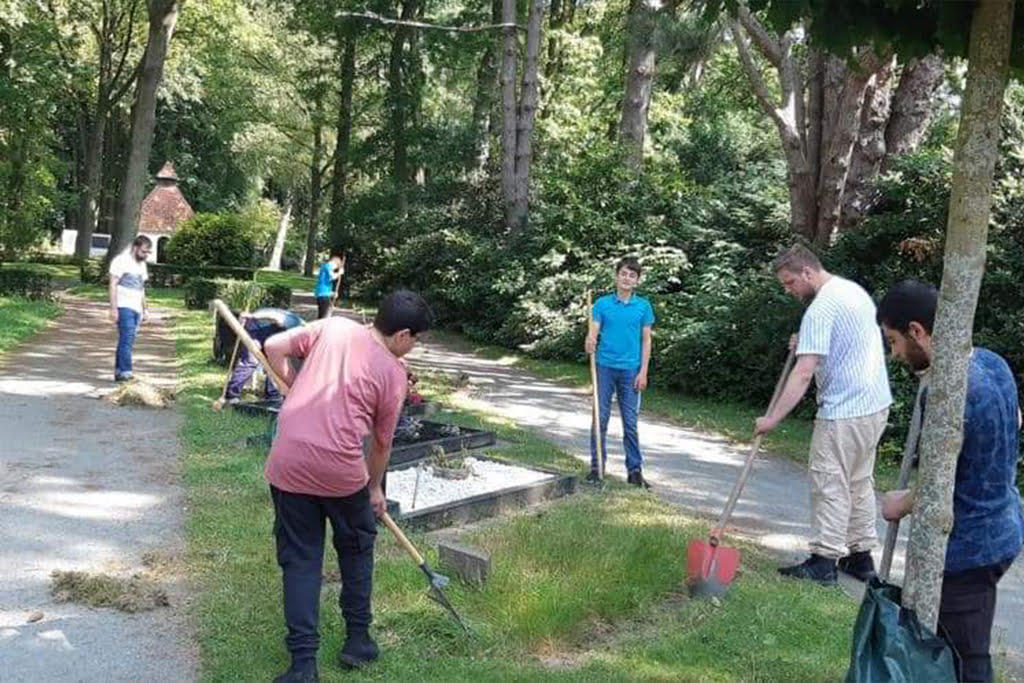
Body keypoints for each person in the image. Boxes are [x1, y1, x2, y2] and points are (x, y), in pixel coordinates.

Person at [262, 290, 432, 683]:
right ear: (402, 334)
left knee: (301, 561)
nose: (415, 346)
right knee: (356, 553)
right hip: (341, 474)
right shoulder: (393, 373)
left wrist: (293, 385)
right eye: (417, 339)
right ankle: (358, 641)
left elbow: (272, 345)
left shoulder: (334, 327)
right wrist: (374, 489)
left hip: (288, 462)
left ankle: (303, 666)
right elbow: (381, 442)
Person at [877, 281, 1022, 683]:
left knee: (965, 656)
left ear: (917, 330)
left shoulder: (946, 393)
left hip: (969, 546)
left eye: (894, 341)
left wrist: (900, 503)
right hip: (1004, 523)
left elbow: (938, 482)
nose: (895, 353)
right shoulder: (993, 362)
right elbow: (1016, 421)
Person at [754, 244, 892, 585]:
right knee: (858, 482)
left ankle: (824, 561)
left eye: (789, 283)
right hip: (874, 407)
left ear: (807, 273)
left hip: (844, 412)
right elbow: (846, 339)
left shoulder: (820, 309)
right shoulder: (851, 292)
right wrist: (806, 339)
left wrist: (772, 419)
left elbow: (803, 373)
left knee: (829, 481)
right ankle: (860, 558)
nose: (789, 291)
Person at [584, 255, 656, 489]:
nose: (627, 278)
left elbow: (646, 341)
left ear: (637, 281)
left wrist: (643, 371)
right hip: (604, 367)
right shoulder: (602, 304)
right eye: (623, 273)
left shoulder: (643, 307)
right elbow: (594, 331)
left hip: (631, 371)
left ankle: (634, 472)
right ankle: (597, 468)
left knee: (631, 423)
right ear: (616, 276)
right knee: (600, 418)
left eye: (632, 275)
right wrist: (590, 340)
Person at [223, 308, 304, 405]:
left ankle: (273, 395)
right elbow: (274, 316)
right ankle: (231, 395)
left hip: (269, 331)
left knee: (273, 364)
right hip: (256, 328)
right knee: (250, 362)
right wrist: (252, 316)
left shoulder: (302, 330)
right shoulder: (294, 323)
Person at [108, 235, 152, 382]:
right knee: (127, 339)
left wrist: (145, 309)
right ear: (135, 248)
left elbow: (141, 289)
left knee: (127, 340)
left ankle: (119, 371)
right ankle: (127, 372)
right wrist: (113, 308)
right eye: (144, 251)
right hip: (123, 306)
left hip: (136, 308)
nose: (146, 255)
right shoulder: (121, 261)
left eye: (147, 253)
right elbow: (113, 284)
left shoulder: (142, 265)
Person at [314, 252, 345, 319]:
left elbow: (326, 281)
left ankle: (319, 327)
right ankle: (322, 328)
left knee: (322, 314)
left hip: (323, 293)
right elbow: (333, 276)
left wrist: (332, 293)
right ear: (334, 263)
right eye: (336, 267)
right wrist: (339, 272)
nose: (334, 269)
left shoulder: (325, 267)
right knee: (325, 315)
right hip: (323, 294)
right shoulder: (327, 266)